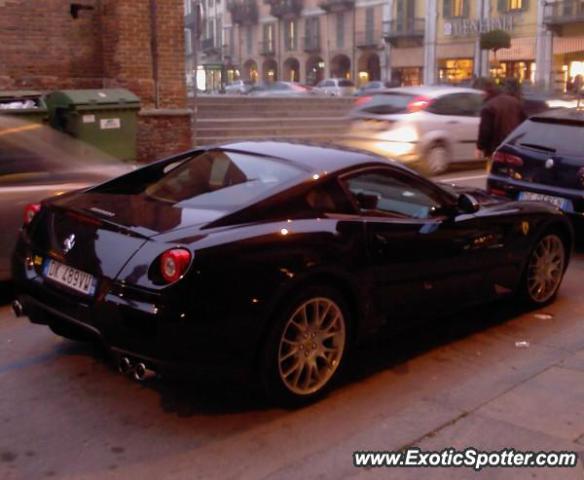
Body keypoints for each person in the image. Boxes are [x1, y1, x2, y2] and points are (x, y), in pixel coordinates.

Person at [476, 79, 526, 160]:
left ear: (486, 93)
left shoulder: (489, 107)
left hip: (497, 147)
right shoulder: (514, 102)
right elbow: (524, 123)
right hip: (514, 144)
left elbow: (485, 130)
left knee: (495, 170)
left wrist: (480, 147)